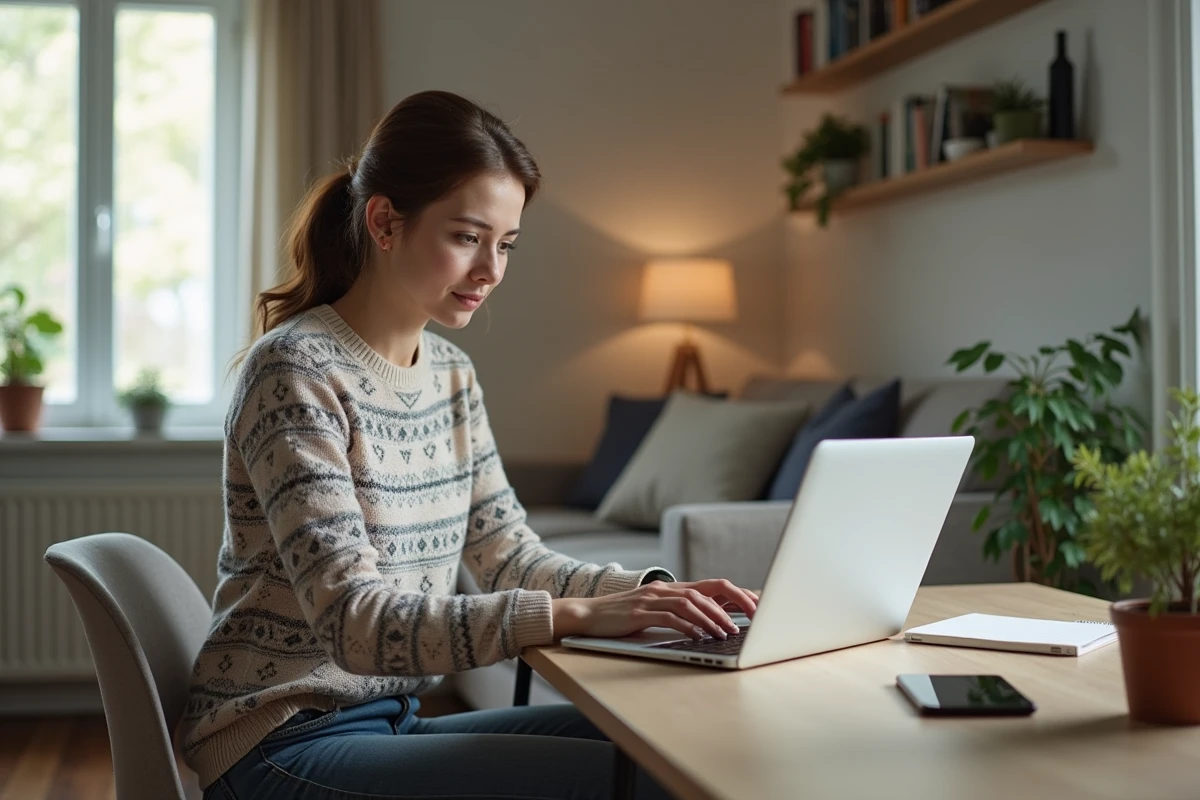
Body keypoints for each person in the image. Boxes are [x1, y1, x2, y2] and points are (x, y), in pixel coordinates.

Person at [179, 89, 759, 800]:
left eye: (506, 244)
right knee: (648, 785)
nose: (492, 270)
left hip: (384, 723)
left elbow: (508, 555)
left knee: (676, 747)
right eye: (467, 237)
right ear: (385, 222)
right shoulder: (294, 370)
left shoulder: (452, 375)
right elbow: (355, 625)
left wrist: (655, 595)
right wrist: (577, 615)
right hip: (277, 745)